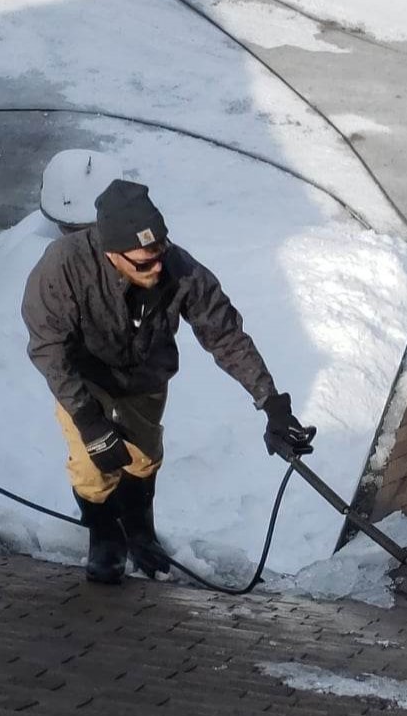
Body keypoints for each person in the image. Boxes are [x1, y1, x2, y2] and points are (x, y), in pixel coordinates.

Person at [22, 178, 314, 585]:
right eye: (144, 262)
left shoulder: (179, 269)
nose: (156, 267)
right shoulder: (63, 268)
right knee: (93, 465)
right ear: (111, 253)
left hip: (145, 374)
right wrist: (90, 422)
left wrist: (273, 406)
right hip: (83, 377)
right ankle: (104, 535)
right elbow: (49, 348)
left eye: (159, 253)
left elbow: (226, 335)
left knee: (143, 458)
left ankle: (140, 530)